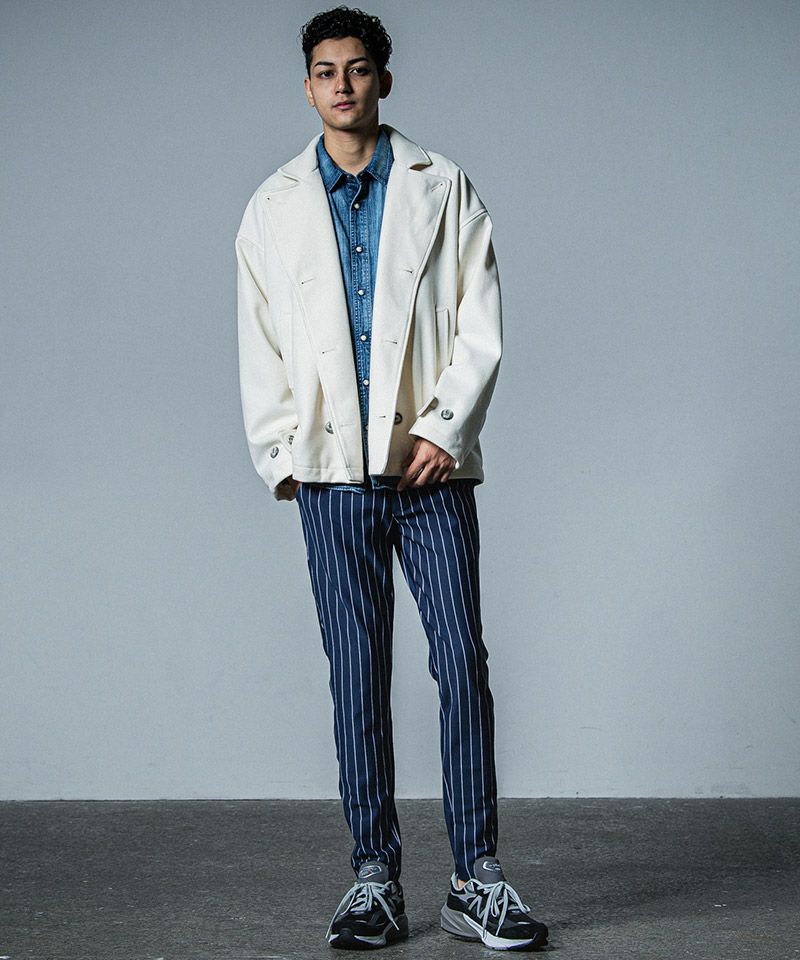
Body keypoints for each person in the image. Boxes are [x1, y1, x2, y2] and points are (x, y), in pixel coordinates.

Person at [235, 4, 549, 951]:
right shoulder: (273, 206)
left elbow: (479, 318)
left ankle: (476, 876)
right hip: (331, 480)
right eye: (326, 71)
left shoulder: (442, 187)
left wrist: (447, 430)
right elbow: (259, 340)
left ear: (383, 79)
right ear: (308, 88)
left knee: (461, 662)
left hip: (427, 473)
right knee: (356, 676)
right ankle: (374, 879)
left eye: (359, 68)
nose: (343, 84)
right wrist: (285, 458)